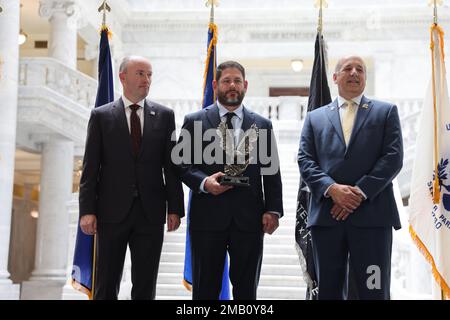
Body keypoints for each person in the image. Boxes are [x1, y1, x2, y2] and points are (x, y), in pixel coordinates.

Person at [175, 61, 283, 299]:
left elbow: (271, 172)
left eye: (237, 81)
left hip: (250, 221)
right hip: (207, 220)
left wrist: (273, 210)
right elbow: (182, 165)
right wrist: (204, 183)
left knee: (246, 292)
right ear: (215, 85)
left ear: (245, 85)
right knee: (205, 291)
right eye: (226, 81)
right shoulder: (194, 121)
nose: (232, 85)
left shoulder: (262, 124)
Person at [78, 56, 184, 300]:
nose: (146, 80)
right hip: (110, 213)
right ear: (122, 77)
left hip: (150, 213)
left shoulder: (165, 115)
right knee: (106, 283)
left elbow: (171, 166)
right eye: (140, 73)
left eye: (149, 74)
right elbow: (90, 167)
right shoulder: (101, 116)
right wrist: (87, 210)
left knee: (146, 285)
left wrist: (175, 207)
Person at [298, 56, 403, 300]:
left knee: (374, 289)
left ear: (365, 78)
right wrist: (332, 189)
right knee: (328, 291)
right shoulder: (315, 118)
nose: (354, 73)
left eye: (360, 69)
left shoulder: (385, 112)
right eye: (348, 68)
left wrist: (358, 193)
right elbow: (305, 159)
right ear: (335, 77)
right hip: (327, 217)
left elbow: (393, 158)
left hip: (373, 218)